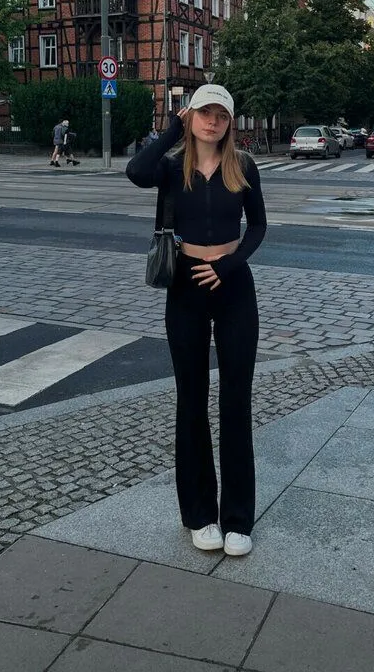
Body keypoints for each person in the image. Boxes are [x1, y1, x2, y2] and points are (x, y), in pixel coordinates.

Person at [126, 84, 267, 557]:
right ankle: (200, 515)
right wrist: (173, 128)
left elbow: (258, 226)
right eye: (204, 113)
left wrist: (229, 264)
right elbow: (135, 171)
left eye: (220, 115)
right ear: (192, 117)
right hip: (185, 287)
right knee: (191, 400)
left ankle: (238, 520)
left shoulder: (242, 166)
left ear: (230, 122)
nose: (212, 122)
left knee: (235, 401)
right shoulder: (171, 167)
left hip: (234, 287)